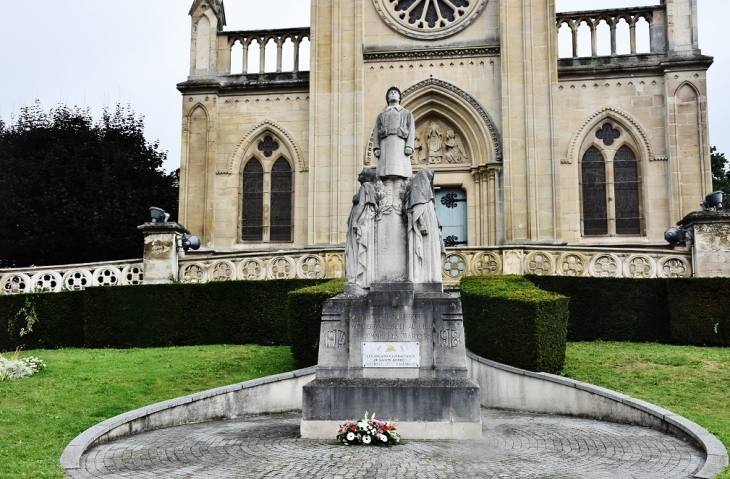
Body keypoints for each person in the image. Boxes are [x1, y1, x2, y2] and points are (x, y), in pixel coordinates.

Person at [406, 168, 446, 283]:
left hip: (432, 229)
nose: (429, 182)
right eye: (428, 179)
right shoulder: (417, 193)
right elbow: (417, 211)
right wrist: (422, 224)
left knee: (433, 252)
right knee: (426, 252)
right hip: (426, 231)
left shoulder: (428, 198)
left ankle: (432, 276)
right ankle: (426, 277)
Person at [345, 167, 378, 288]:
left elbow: (362, 205)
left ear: (367, 177)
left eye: (362, 174)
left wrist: (354, 221)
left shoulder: (366, 186)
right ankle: (361, 277)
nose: (359, 174)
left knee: (357, 250)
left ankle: (359, 278)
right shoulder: (369, 187)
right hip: (363, 222)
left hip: (361, 223)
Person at [372, 87, 415, 179]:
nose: (393, 94)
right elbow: (376, 132)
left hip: (400, 143)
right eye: (390, 93)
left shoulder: (406, 113)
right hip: (385, 144)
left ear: (399, 98)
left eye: (395, 93)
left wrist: (409, 146)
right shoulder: (381, 114)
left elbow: (411, 130)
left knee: (399, 170)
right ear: (387, 98)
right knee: (385, 172)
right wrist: (376, 147)